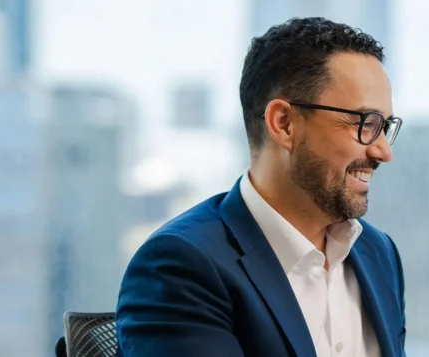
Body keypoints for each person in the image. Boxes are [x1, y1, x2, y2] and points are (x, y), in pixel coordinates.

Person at [115, 17, 406, 357]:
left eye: (385, 126)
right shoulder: (182, 266)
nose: (383, 151)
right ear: (284, 124)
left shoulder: (377, 253)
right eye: (366, 124)